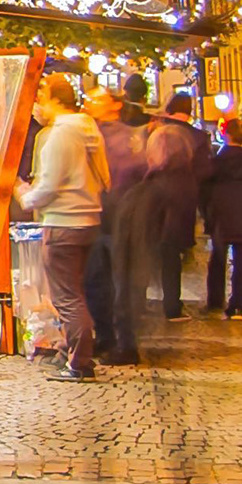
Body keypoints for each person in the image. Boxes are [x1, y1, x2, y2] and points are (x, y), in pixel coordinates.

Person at [15, 75, 110, 381]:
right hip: (86, 220)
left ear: (54, 98)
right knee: (75, 293)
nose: (36, 107)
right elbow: (104, 177)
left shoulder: (60, 135)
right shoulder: (87, 128)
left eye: (40, 98)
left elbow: (48, 187)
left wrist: (23, 194)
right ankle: (73, 353)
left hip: (62, 222)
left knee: (67, 297)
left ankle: (79, 363)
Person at [83, 88, 145, 365]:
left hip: (120, 215)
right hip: (99, 214)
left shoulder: (123, 137)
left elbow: (127, 174)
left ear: (115, 105)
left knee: (122, 281)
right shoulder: (89, 132)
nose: (89, 103)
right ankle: (105, 335)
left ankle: (126, 343)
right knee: (95, 279)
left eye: (96, 99)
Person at [146, 93, 212, 322]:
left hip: (151, 195)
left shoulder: (155, 129)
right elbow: (205, 171)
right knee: (172, 252)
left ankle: (140, 300)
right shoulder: (199, 137)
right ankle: (172, 305)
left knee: (146, 246)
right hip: (182, 198)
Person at [203, 118, 242, 319]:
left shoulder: (216, 164)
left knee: (218, 259)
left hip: (221, 217)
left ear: (225, 134)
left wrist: (207, 214)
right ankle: (237, 305)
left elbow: (206, 193)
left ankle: (215, 300)